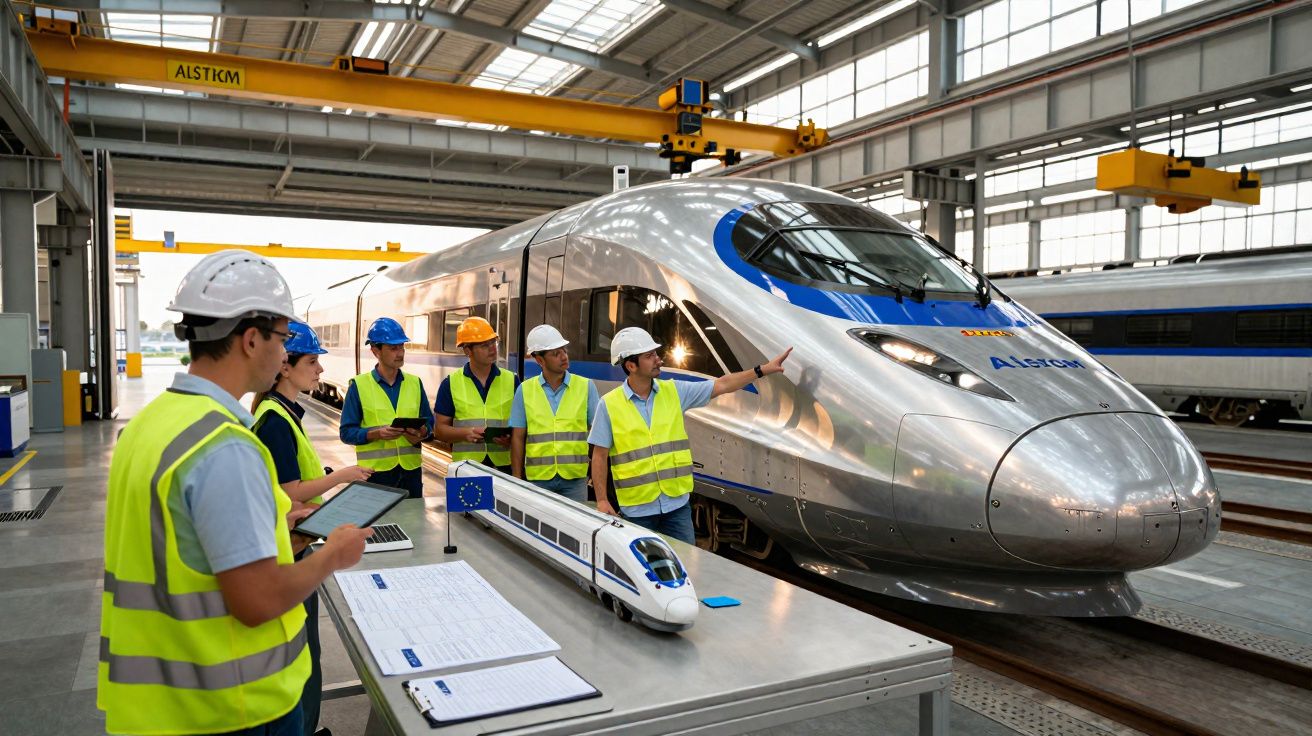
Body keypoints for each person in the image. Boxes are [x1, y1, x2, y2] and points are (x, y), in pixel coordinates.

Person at [99, 250, 372, 736]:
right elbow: (257, 601)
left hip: (160, 706)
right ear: (251, 340)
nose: (285, 354)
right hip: (235, 708)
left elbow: (180, 549)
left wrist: (271, 525)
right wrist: (333, 554)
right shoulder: (224, 446)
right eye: (284, 340)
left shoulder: (148, 426)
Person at [251, 321, 373, 736]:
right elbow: (290, 492)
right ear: (286, 367)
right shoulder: (274, 421)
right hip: (293, 548)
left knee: (308, 648)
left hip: (299, 540)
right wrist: (342, 476)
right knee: (303, 651)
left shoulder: (283, 413)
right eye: (313, 361)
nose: (320, 370)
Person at [588, 326, 792, 544]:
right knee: (645, 570)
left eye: (656, 354)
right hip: (638, 512)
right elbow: (600, 455)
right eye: (650, 356)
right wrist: (601, 500)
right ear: (631, 365)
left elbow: (722, 384)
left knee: (684, 568)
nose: (658, 359)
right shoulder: (609, 405)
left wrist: (762, 370)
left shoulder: (674, 392)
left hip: (676, 506)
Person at [339, 317, 434, 498]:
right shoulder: (358, 386)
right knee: (378, 525)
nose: (400, 353)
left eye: (402, 347)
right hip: (375, 474)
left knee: (412, 524)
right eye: (393, 348)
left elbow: (429, 424)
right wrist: (376, 433)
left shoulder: (415, 383)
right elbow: (346, 433)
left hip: (411, 474)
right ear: (376, 351)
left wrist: (422, 433)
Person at [509, 325, 599, 502]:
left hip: (575, 479)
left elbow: (598, 436)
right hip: (538, 479)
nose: (564, 357)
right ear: (540, 361)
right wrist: (517, 479)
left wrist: (597, 476)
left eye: (564, 350)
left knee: (575, 528)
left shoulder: (586, 386)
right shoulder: (525, 391)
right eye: (556, 353)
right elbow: (517, 437)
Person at [432, 316, 518, 472]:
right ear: (467, 350)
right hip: (466, 468)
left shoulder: (512, 381)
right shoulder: (450, 384)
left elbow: (523, 425)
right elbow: (439, 430)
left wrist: (512, 438)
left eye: (493, 342)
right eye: (485, 345)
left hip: (505, 467)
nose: (492, 349)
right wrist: (466, 433)